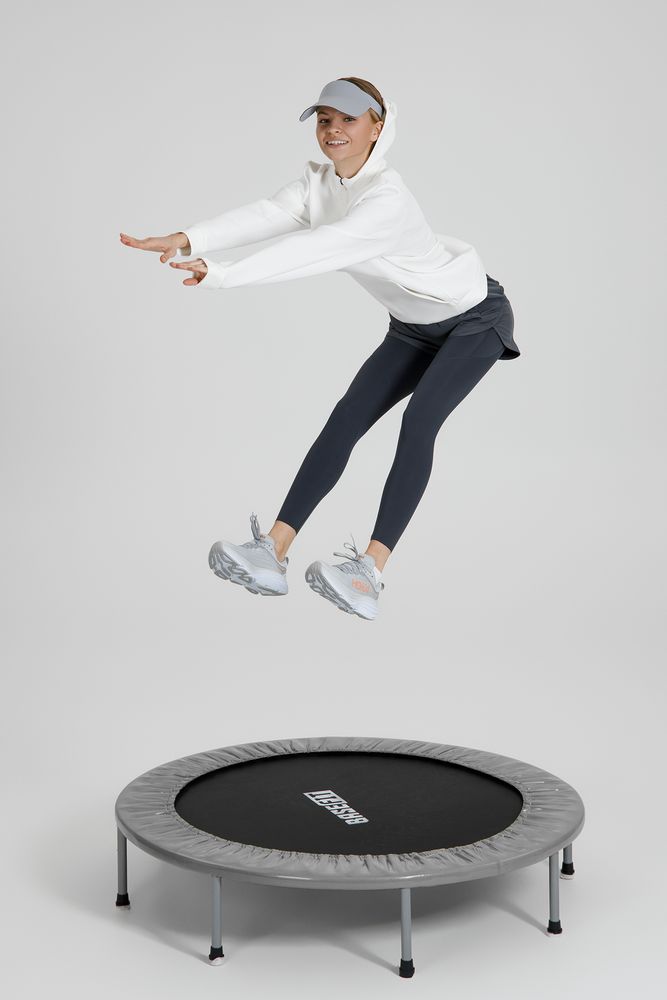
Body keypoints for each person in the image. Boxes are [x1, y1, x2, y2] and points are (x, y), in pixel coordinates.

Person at [120, 77, 520, 621]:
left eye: (349, 119)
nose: (333, 130)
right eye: (325, 119)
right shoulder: (320, 185)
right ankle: (272, 551)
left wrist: (222, 273)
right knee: (345, 418)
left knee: (419, 421)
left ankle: (369, 574)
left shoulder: (386, 201)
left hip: (474, 318)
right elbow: (265, 215)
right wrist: (188, 239)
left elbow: (318, 249)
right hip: (413, 326)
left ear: (378, 127)